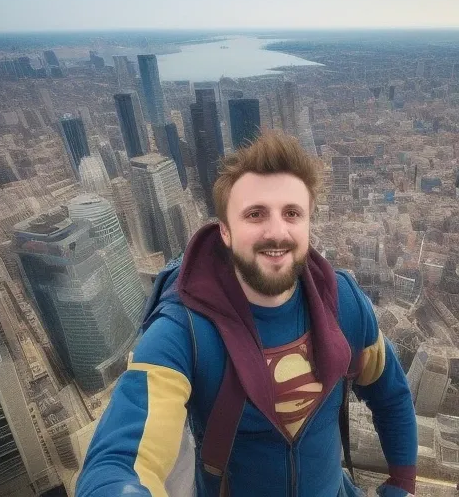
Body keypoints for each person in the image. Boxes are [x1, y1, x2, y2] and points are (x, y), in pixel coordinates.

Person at [76, 131, 418, 497]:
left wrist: (402, 484)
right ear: (224, 230)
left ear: (308, 224)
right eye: (255, 214)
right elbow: (117, 462)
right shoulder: (185, 331)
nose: (276, 232)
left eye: (292, 213)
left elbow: (390, 394)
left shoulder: (344, 303)